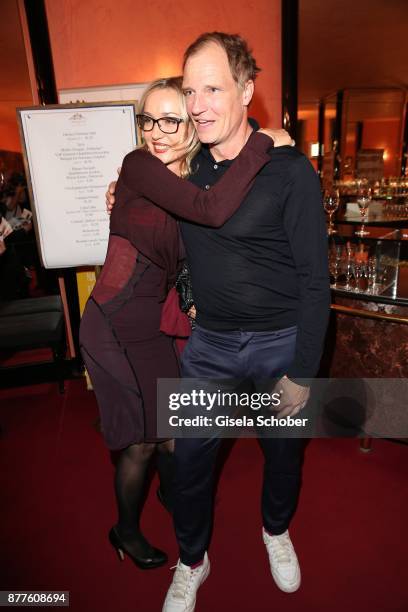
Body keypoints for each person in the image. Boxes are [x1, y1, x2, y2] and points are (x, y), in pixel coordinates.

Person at [108, 33, 330, 610]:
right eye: (191, 91)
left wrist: (304, 372)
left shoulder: (291, 174)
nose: (199, 104)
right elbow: (149, 210)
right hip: (208, 349)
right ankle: (191, 560)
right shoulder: (186, 168)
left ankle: (275, 531)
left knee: (283, 456)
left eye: (213, 88)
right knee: (188, 462)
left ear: (247, 90)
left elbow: (314, 282)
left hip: (281, 344)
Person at [80, 76, 288, 573]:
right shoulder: (137, 167)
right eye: (149, 119)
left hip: (154, 327)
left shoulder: (196, 178)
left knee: (176, 431)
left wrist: (262, 134)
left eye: (172, 119)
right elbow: (211, 212)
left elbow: (247, 169)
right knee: (142, 439)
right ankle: (124, 530)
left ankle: (178, 498)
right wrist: (262, 142)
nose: (158, 131)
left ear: (194, 125)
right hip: (110, 325)